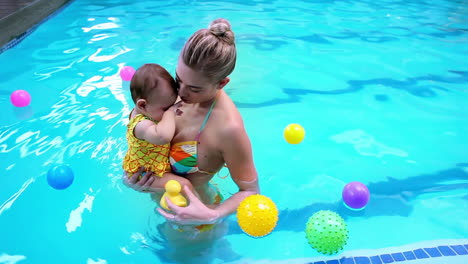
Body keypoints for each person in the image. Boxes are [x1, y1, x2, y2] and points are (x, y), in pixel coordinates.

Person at [123, 18, 259, 229]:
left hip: (195, 220)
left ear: (222, 83)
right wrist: (132, 178)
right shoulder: (166, 92)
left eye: (194, 89)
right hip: (159, 199)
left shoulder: (227, 128)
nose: (181, 94)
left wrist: (212, 214)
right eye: (179, 79)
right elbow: (139, 137)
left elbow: (251, 191)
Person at [122, 63, 195, 193]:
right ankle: (200, 210)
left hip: (153, 166)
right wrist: (170, 112)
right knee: (185, 186)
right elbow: (163, 137)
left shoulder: (148, 109)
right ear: (143, 105)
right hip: (145, 175)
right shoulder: (141, 125)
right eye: (166, 107)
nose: (171, 108)